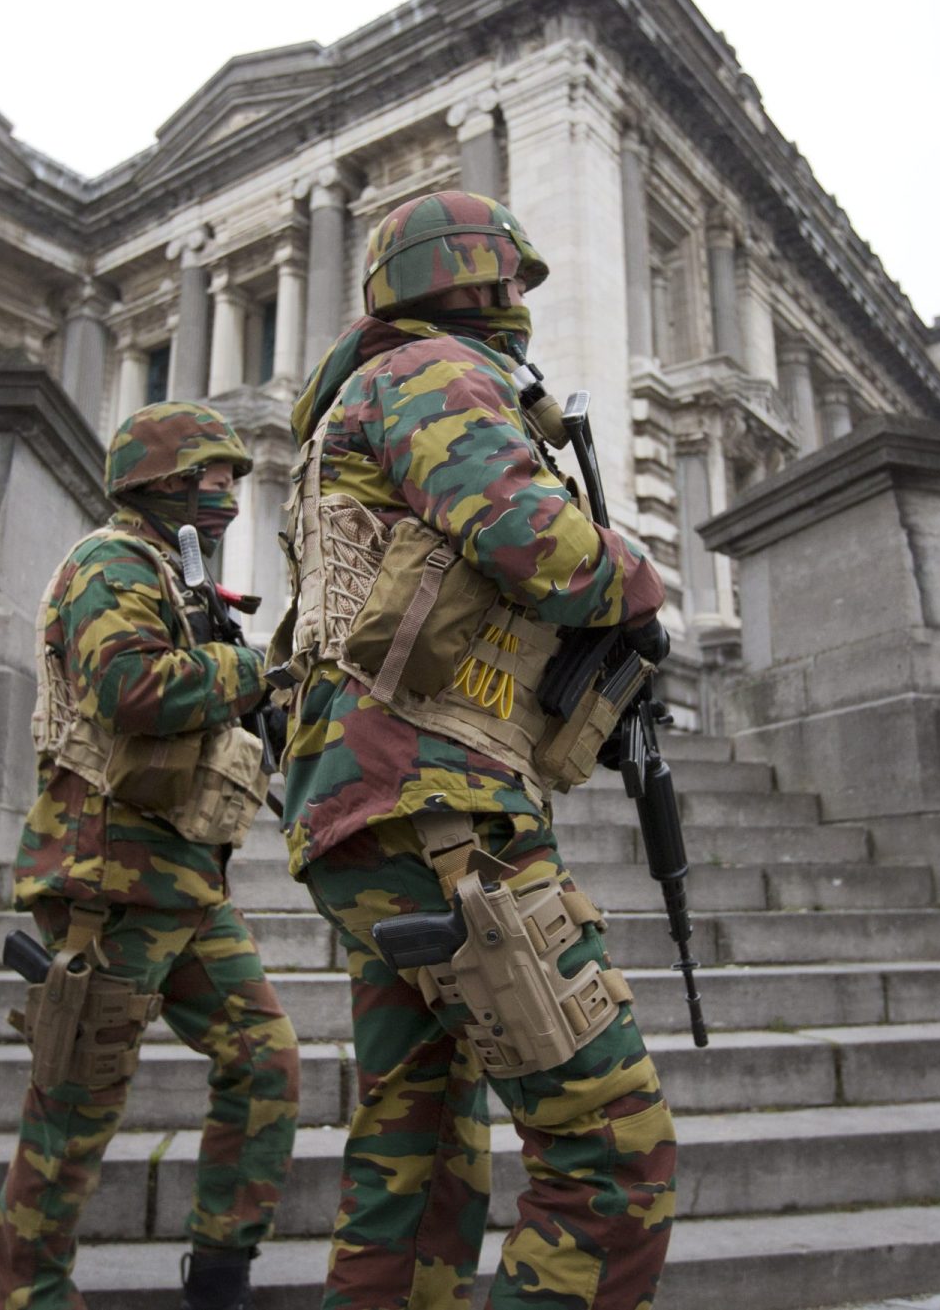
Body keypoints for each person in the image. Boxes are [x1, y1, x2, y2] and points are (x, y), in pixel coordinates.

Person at [273, 191, 678, 1310]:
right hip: (431, 799)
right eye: (513, 285)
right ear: (488, 281)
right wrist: (637, 583)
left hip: (374, 806)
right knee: (613, 1159)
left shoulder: (355, 400)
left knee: (419, 1162)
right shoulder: (434, 375)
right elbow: (536, 544)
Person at [0, 402, 300, 1310]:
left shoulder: (180, 580)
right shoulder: (111, 563)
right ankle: (32, 1296)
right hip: (110, 879)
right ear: (159, 480)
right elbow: (129, 688)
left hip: (184, 879)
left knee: (266, 1059)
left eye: (235, 481)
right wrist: (258, 671)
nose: (229, 498)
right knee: (72, 1112)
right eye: (213, 477)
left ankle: (219, 1275)